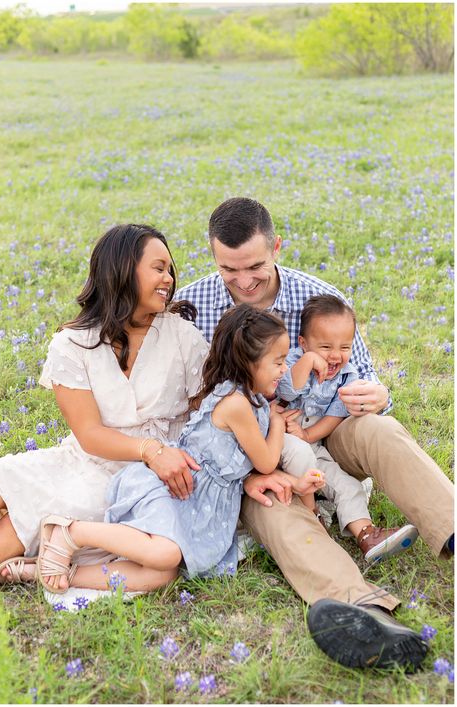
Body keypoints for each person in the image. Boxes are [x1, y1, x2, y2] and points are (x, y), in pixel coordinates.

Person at [173, 196, 454, 670]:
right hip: (252, 453)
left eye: (255, 266)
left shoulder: (317, 295)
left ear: (277, 247)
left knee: (380, 429)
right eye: (228, 269)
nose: (242, 281)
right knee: (274, 504)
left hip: (327, 432)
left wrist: (376, 395)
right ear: (213, 256)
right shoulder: (191, 308)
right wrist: (245, 474)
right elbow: (189, 415)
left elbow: (363, 376)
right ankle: (364, 612)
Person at [33, 305, 326, 594]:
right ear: (249, 361)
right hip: (178, 490)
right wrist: (276, 422)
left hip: (195, 502)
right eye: (278, 362)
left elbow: (250, 469)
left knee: (162, 575)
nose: (284, 369)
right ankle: (70, 532)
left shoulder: (252, 400)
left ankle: (59, 574)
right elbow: (265, 461)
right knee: (167, 555)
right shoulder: (236, 404)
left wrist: (297, 483)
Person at [0, 223, 211, 588]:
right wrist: (150, 449)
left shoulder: (183, 336)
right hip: (83, 459)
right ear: (122, 270)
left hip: (133, 481)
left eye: (170, 269)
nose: (168, 278)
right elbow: (89, 435)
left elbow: (208, 414)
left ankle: (31, 552)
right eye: (158, 268)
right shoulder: (73, 343)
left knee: (20, 522)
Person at [277, 293, 418, 562]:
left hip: (312, 444)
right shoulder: (292, 360)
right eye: (325, 347)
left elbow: (334, 417)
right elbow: (286, 388)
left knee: (347, 484)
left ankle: (366, 534)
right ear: (303, 343)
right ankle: (313, 521)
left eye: (344, 347)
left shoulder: (347, 375)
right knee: (302, 458)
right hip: (278, 444)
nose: (335, 355)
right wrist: (307, 361)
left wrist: (307, 434)